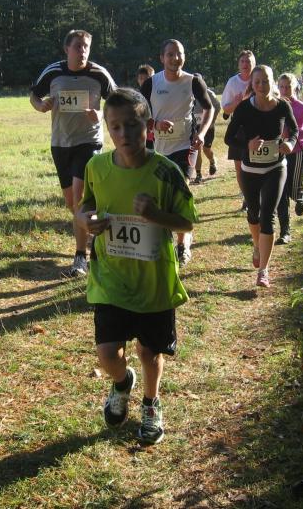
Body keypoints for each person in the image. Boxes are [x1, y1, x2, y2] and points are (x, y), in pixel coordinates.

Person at [77, 88, 198, 445]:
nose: (124, 134)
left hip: (153, 284)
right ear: (107, 128)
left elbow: (187, 222)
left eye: (132, 125)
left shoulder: (166, 172)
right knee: (107, 355)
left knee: (149, 351)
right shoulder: (96, 167)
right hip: (110, 278)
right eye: (115, 126)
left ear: (148, 126)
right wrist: (86, 221)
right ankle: (121, 382)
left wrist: (156, 215)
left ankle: (150, 403)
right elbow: (85, 207)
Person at [30, 29, 117, 277]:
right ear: (66, 49)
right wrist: (41, 105)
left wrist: (100, 114)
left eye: (86, 46)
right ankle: (95, 231)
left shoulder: (99, 74)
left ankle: (81, 257)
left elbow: (116, 102)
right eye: (78, 46)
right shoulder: (54, 72)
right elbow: (34, 95)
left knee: (79, 199)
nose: (83, 51)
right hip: (61, 143)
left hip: (89, 142)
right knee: (72, 203)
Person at [140, 39, 214, 266]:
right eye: (170, 54)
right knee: (162, 197)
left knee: (182, 193)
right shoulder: (151, 83)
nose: (175, 58)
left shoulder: (193, 81)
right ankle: (165, 240)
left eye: (179, 54)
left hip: (186, 147)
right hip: (159, 150)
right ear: (162, 58)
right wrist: (155, 124)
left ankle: (183, 245)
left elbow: (209, 108)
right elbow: (137, 114)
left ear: (184, 56)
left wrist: (202, 133)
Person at [224, 65, 298, 288]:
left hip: (276, 168)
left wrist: (289, 143)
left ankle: (263, 270)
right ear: (252, 84)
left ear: (272, 82)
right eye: (257, 82)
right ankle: (257, 245)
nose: (261, 85)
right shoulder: (244, 108)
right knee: (254, 213)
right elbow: (228, 138)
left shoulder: (282, 106)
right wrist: (247, 145)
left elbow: (294, 131)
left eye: (265, 81)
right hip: (250, 171)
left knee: (267, 215)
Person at [276, 73, 303, 244]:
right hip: (279, 152)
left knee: (294, 186)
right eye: (282, 87)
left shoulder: (301, 107)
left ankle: (300, 196)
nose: (285, 90)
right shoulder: (274, 105)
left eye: (288, 87)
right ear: (278, 87)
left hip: (298, 151)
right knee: (281, 191)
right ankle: (285, 231)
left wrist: (293, 135)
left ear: (295, 88)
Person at [221, 50, 256, 210]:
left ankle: (257, 195)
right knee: (240, 166)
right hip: (239, 129)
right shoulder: (232, 82)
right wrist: (237, 103)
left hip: (258, 127)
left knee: (257, 164)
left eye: (248, 61)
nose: (245, 64)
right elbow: (226, 110)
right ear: (238, 64)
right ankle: (247, 198)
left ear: (254, 64)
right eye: (242, 61)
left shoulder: (259, 78)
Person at [193, 85, 221, 184]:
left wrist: (211, 121)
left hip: (208, 126)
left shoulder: (209, 93)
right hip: (194, 126)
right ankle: (198, 174)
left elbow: (217, 107)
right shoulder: (187, 92)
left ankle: (212, 161)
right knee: (196, 149)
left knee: (206, 149)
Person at [136, 64, 156, 150]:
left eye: (147, 79)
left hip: (157, 133)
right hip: (142, 133)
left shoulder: (159, 96)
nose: (144, 82)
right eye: (141, 78)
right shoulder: (135, 96)